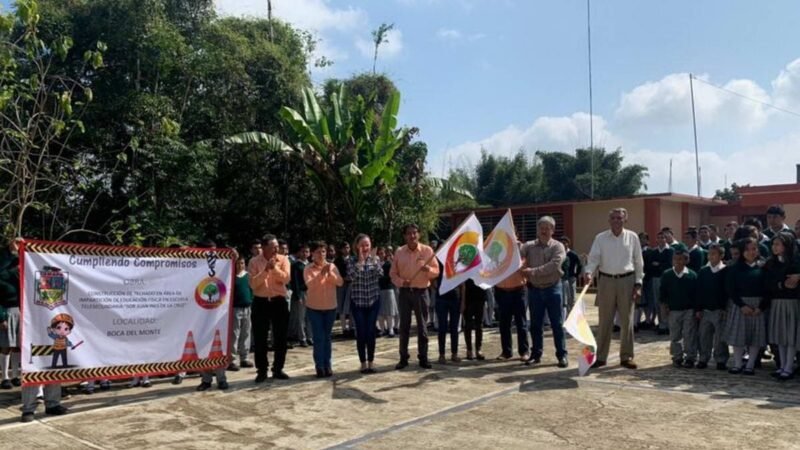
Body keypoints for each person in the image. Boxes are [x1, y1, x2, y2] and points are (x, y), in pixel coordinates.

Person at [583, 208, 644, 369]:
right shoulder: (600, 238)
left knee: (627, 321)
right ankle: (601, 357)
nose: (617, 221)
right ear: (609, 220)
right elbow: (594, 258)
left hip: (627, 281)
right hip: (606, 281)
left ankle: (626, 357)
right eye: (613, 218)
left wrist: (638, 284)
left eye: (619, 218)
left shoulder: (632, 237)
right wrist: (589, 272)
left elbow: (638, 261)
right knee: (604, 321)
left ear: (625, 220)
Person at [390, 224, 440, 370]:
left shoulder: (427, 251)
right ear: (404, 236)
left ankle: (423, 357)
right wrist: (401, 282)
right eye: (409, 234)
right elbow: (393, 274)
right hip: (405, 293)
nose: (412, 236)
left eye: (414, 233)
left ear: (419, 234)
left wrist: (428, 269)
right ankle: (403, 358)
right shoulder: (399, 252)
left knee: (422, 327)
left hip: (421, 292)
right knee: (404, 326)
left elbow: (436, 271)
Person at [522, 216, 568, 367]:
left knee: (557, 324)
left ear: (552, 230)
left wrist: (532, 272)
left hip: (553, 288)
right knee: (535, 325)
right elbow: (516, 255)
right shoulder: (528, 246)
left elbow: (554, 266)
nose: (543, 231)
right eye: (541, 227)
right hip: (534, 290)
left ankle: (562, 355)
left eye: (547, 228)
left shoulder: (558, 247)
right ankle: (536, 354)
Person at [248, 234, 292, 382]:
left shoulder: (284, 259)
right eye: (273, 247)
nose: (276, 249)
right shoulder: (254, 262)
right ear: (265, 247)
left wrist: (275, 270)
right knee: (260, 338)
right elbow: (253, 284)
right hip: (261, 302)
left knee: (281, 337)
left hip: (279, 301)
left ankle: (278, 369)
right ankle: (262, 370)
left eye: (277, 247)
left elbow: (286, 278)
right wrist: (266, 270)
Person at [724, 237, 767, 375]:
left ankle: (750, 365)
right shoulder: (735, 268)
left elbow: (768, 289)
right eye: (747, 250)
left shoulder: (763, 267)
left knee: (755, 336)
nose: (751, 252)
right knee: (738, 336)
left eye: (754, 249)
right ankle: (737, 363)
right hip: (740, 306)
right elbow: (730, 289)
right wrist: (741, 305)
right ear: (742, 251)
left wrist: (761, 307)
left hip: (758, 306)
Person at [304, 241, 344, 378]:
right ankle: (319, 366)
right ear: (312, 254)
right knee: (318, 337)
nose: (321, 255)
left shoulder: (332, 266)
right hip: (314, 308)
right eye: (318, 252)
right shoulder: (308, 268)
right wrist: (321, 274)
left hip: (330, 307)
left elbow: (340, 282)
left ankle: (328, 365)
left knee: (327, 337)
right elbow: (310, 285)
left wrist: (329, 274)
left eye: (323, 252)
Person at [763, 232, 800, 380]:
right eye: (773, 244)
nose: (774, 247)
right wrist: (780, 285)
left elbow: (792, 285)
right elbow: (770, 283)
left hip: (790, 303)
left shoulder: (795, 263)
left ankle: (789, 366)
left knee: (790, 336)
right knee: (780, 337)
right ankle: (782, 365)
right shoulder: (771, 263)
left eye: (778, 244)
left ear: (786, 246)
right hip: (776, 302)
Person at [348, 234, 383, 374]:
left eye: (367, 245)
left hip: (373, 300)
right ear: (356, 246)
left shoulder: (375, 259)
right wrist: (360, 263)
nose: (365, 248)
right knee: (361, 333)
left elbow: (380, 274)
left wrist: (374, 262)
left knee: (370, 332)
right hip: (358, 302)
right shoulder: (351, 260)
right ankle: (362, 363)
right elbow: (350, 276)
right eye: (362, 245)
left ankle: (371, 362)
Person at [197, 239, 228, 391]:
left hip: (218, 313)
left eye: (214, 251)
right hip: (199, 314)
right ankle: (206, 379)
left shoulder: (223, 262)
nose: (212, 254)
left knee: (218, 347)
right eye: (209, 251)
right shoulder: (194, 266)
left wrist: (233, 255)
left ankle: (221, 379)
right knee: (203, 346)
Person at [659, 249, 699, 368]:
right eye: (675, 259)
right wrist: (664, 306)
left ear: (686, 260)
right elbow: (663, 292)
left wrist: (696, 309)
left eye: (681, 259)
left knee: (689, 334)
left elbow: (696, 294)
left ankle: (690, 357)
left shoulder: (692, 275)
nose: (677, 261)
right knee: (675, 335)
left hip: (688, 310)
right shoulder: (667, 275)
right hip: (674, 310)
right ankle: (677, 356)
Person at [695, 244, 729, 370]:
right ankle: (703, 358)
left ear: (721, 256)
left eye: (714, 254)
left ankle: (721, 359)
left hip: (719, 310)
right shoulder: (703, 271)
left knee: (720, 337)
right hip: (705, 310)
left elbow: (727, 292)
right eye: (709, 254)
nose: (711, 256)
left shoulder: (725, 271)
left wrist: (725, 308)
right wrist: (698, 309)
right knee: (704, 336)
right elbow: (699, 291)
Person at [494, 257, 529, 362]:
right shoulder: (497, 249)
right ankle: (506, 351)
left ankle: (524, 351)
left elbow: (525, 270)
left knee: (521, 323)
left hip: (518, 291)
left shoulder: (522, 251)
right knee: (504, 323)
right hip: (501, 291)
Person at [0, 237, 22, 389]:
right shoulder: (3, 266)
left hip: (21, 309)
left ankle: (15, 375)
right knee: (6, 345)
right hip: (7, 309)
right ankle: (5, 377)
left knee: (17, 345)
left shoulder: (19, 262)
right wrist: (1, 317)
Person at [229, 256, 253, 371]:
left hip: (247, 308)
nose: (240, 266)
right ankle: (232, 360)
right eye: (238, 264)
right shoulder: (231, 277)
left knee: (246, 333)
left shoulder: (248, 276)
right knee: (234, 334)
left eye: (242, 263)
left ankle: (244, 357)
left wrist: (251, 300)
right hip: (235, 308)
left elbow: (251, 290)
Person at [435, 260, 461, 364]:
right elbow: (432, 279)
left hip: (455, 299)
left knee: (454, 328)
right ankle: (442, 355)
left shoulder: (456, 262)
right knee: (442, 328)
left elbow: (462, 283)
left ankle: (454, 353)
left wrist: (462, 301)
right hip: (441, 299)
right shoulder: (437, 263)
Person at [648, 231, 673, 335]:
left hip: (667, 279)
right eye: (659, 237)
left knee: (666, 302)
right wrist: (658, 265)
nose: (661, 239)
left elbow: (669, 265)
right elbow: (651, 264)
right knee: (657, 301)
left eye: (663, 237)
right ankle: (661, 323)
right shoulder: (654, 252)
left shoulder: (671, 251)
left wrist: (658, 264)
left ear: (666, 239)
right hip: (656, 278)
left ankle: (668, 324)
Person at [288, 244, 311, 347]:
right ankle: (302, 338)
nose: (305, 254)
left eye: (307, 252)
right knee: (300, 317)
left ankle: (310, 336)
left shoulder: (310, 264)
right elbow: (295, 282)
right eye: (303, 251)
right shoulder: (296, 265)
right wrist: (298, 295)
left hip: (310, 293)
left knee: (309, 317)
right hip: (301, 293)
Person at [461, 279, 488, 360]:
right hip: (468, 298)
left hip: (480, 297)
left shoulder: (482, 266)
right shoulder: (465, 265)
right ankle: (469, 350)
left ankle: (478, 349)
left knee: (479, 325)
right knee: (468, 325)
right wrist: (463, 301)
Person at [559, 236, 582, 322]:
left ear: (568, 244)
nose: (564, 244)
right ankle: (564, 317)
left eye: (565, 242)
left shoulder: (572, 254)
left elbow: (579, 265)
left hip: (571, 278)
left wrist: (576, 275)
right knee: (562, 299)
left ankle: (571, 317)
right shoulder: (559, 254)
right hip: (561, 279)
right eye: (562, 242)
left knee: (571, 298)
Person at [377, 247, 398, 338]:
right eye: (380, 253)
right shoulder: (375, 265)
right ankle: (382, 329)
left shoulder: (388, 264)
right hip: (379, 289)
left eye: (383, 253)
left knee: (390, 311)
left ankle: (391, 329)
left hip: (388, 288)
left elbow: (391, 275)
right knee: (380, 311)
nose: (382, 255)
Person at [334, 241, 353, 337]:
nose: (347, 249)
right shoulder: (337, 261)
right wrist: (343, 278)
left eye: (348, 247)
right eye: (345, 248)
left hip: (351, 284)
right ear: (341, 249)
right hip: (341, 285)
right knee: (341, 306)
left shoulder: (353, 259)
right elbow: (335, 273)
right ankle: (343, 328)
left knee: (350, 306)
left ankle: (351, 327)